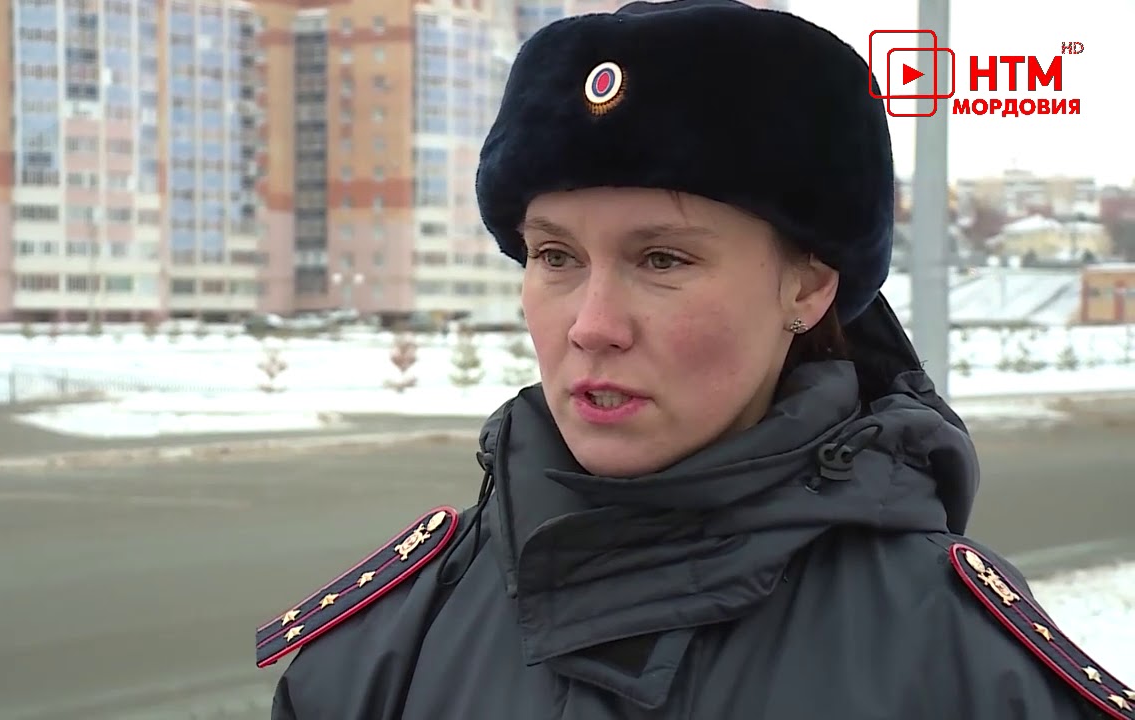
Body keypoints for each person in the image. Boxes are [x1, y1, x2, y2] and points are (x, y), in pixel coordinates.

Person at [256, 1, 1135, 718]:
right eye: (555, 256)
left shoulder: (962, 672)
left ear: (808, 287)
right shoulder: (384, 648)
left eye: (662, 259)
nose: (592, 325)